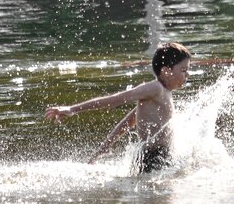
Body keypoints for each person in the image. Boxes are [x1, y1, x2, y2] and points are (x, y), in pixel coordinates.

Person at [44, 43, 191, 173]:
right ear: (166, 71)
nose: (187, 75)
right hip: (152, 158)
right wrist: (72, 109)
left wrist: (107, 145)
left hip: (162, 155)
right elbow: (115, 100)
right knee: (162, 202)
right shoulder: (155, 88)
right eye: (183, 70)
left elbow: (130, 120)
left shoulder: (164, 92)